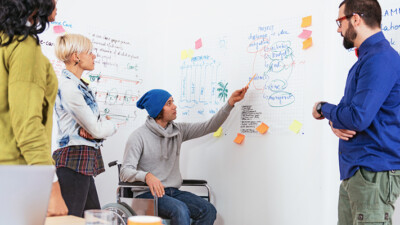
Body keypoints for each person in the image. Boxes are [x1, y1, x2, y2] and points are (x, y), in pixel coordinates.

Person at [312, 0, 400, 224]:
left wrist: (323, 108)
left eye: (340, 21)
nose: (338, 29)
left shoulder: (380, 58)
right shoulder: (367, 60)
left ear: (356, 18)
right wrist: (335, 120)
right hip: (358, 174)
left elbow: (358, 118)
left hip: (372, 174)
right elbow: (349, 111)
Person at [120, 87, 248, 225]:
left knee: (208, 210)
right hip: (147, 195)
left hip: (173, 192)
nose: (174, 106)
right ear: (157, 110)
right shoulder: (138, 137)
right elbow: (125, 172)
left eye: (172, 102)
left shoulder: (178, 131)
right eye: (169, 103)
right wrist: (146, 176)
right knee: (180, 210)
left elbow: (210, 126)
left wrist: (230, 103)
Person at [0, 0, 68, 216]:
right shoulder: (22, 45)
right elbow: (28, 123)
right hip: (14, 177)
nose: (56, 5)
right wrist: (52, 188)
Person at [52, 33, 118, 217]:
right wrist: (110, 126)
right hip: (74, 159)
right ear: (76, 57)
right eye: (89, 52)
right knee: (73, 219)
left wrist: (95, 130)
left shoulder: (78, 85)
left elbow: (94, 128)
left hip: (83, 159)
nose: (93, 56)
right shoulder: (68, 87)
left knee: (92, 217)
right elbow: (96, 128)